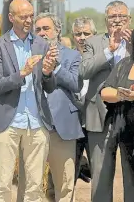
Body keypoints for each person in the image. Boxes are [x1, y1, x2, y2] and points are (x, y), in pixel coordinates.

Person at [0, 0, 57, 202]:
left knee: (35, 187)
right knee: (2, 184)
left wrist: (46, 73)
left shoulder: (41, 44)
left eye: (30, 16)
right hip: (7, 122)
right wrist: (22, 73)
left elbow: (50, 87)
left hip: (37, 122)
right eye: (23, 16)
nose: (28, 20)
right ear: (11, 18)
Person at [79, 0, 134, 202]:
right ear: (106, 20)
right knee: (101, 175)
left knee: (131, 174)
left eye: (122, 17)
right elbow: (83, 71)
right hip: (100, 115)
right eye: (113, 17)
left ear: (129, 20)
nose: (117, 21)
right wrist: (109, 51)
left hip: (130, 115)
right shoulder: (93, 43)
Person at [27, 12, 84, 202]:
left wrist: (57, 66)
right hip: (33, 126)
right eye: (38, 30)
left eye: (46, 28)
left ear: (57, 31)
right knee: (32, 183)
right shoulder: (28, 54)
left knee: (64, 184)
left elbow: (77, 84)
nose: (42, 33)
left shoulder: (72, 55)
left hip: (62, 128)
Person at [100, 30, 134, 182]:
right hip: (126, 133)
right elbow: (105, 90)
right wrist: (121, 95)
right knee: (129, 182)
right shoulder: (123, 65)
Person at [72, 16, 96, 186]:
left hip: (95, 122)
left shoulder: (102, 57)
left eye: (86, 33)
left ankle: (84, 166)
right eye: (78, 33)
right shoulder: (68, 57)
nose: (82, 37)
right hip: (73, 123)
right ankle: (80, 165)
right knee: (68, 174)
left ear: (94, 34)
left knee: (99, 170)